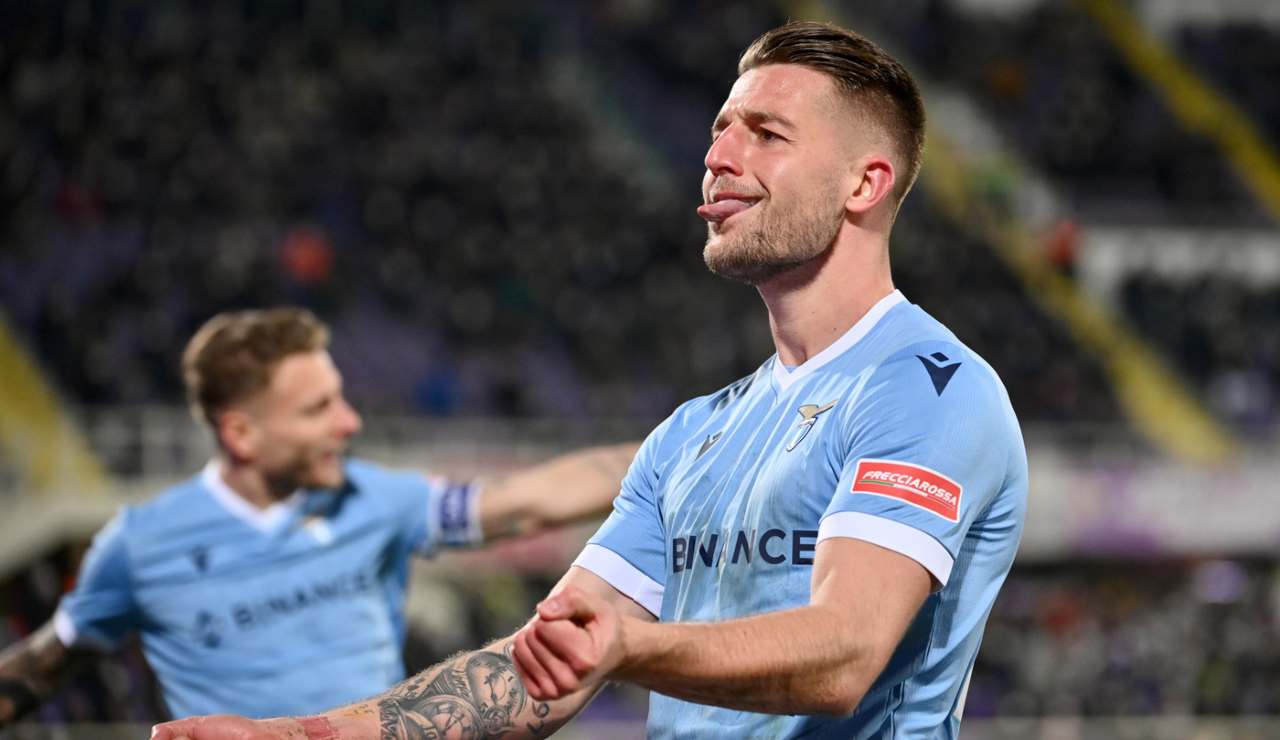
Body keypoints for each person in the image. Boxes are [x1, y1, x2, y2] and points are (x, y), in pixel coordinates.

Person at [153, 19, 1027, 739]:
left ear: (864, 183)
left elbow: (845, 654)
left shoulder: (929, 388)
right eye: (721, 128)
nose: (719, 156)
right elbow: (545, 667)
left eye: (766, 134)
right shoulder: (693, 433)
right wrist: (299, 736)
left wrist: (630, 647)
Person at [0, 307, 637, 723]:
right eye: (318, 409)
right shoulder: (141, 544)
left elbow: (528, 502)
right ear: (241, 434)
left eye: (340, 399)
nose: (349, 422)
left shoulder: (376, 499)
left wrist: (672, 453)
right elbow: (45, 663)